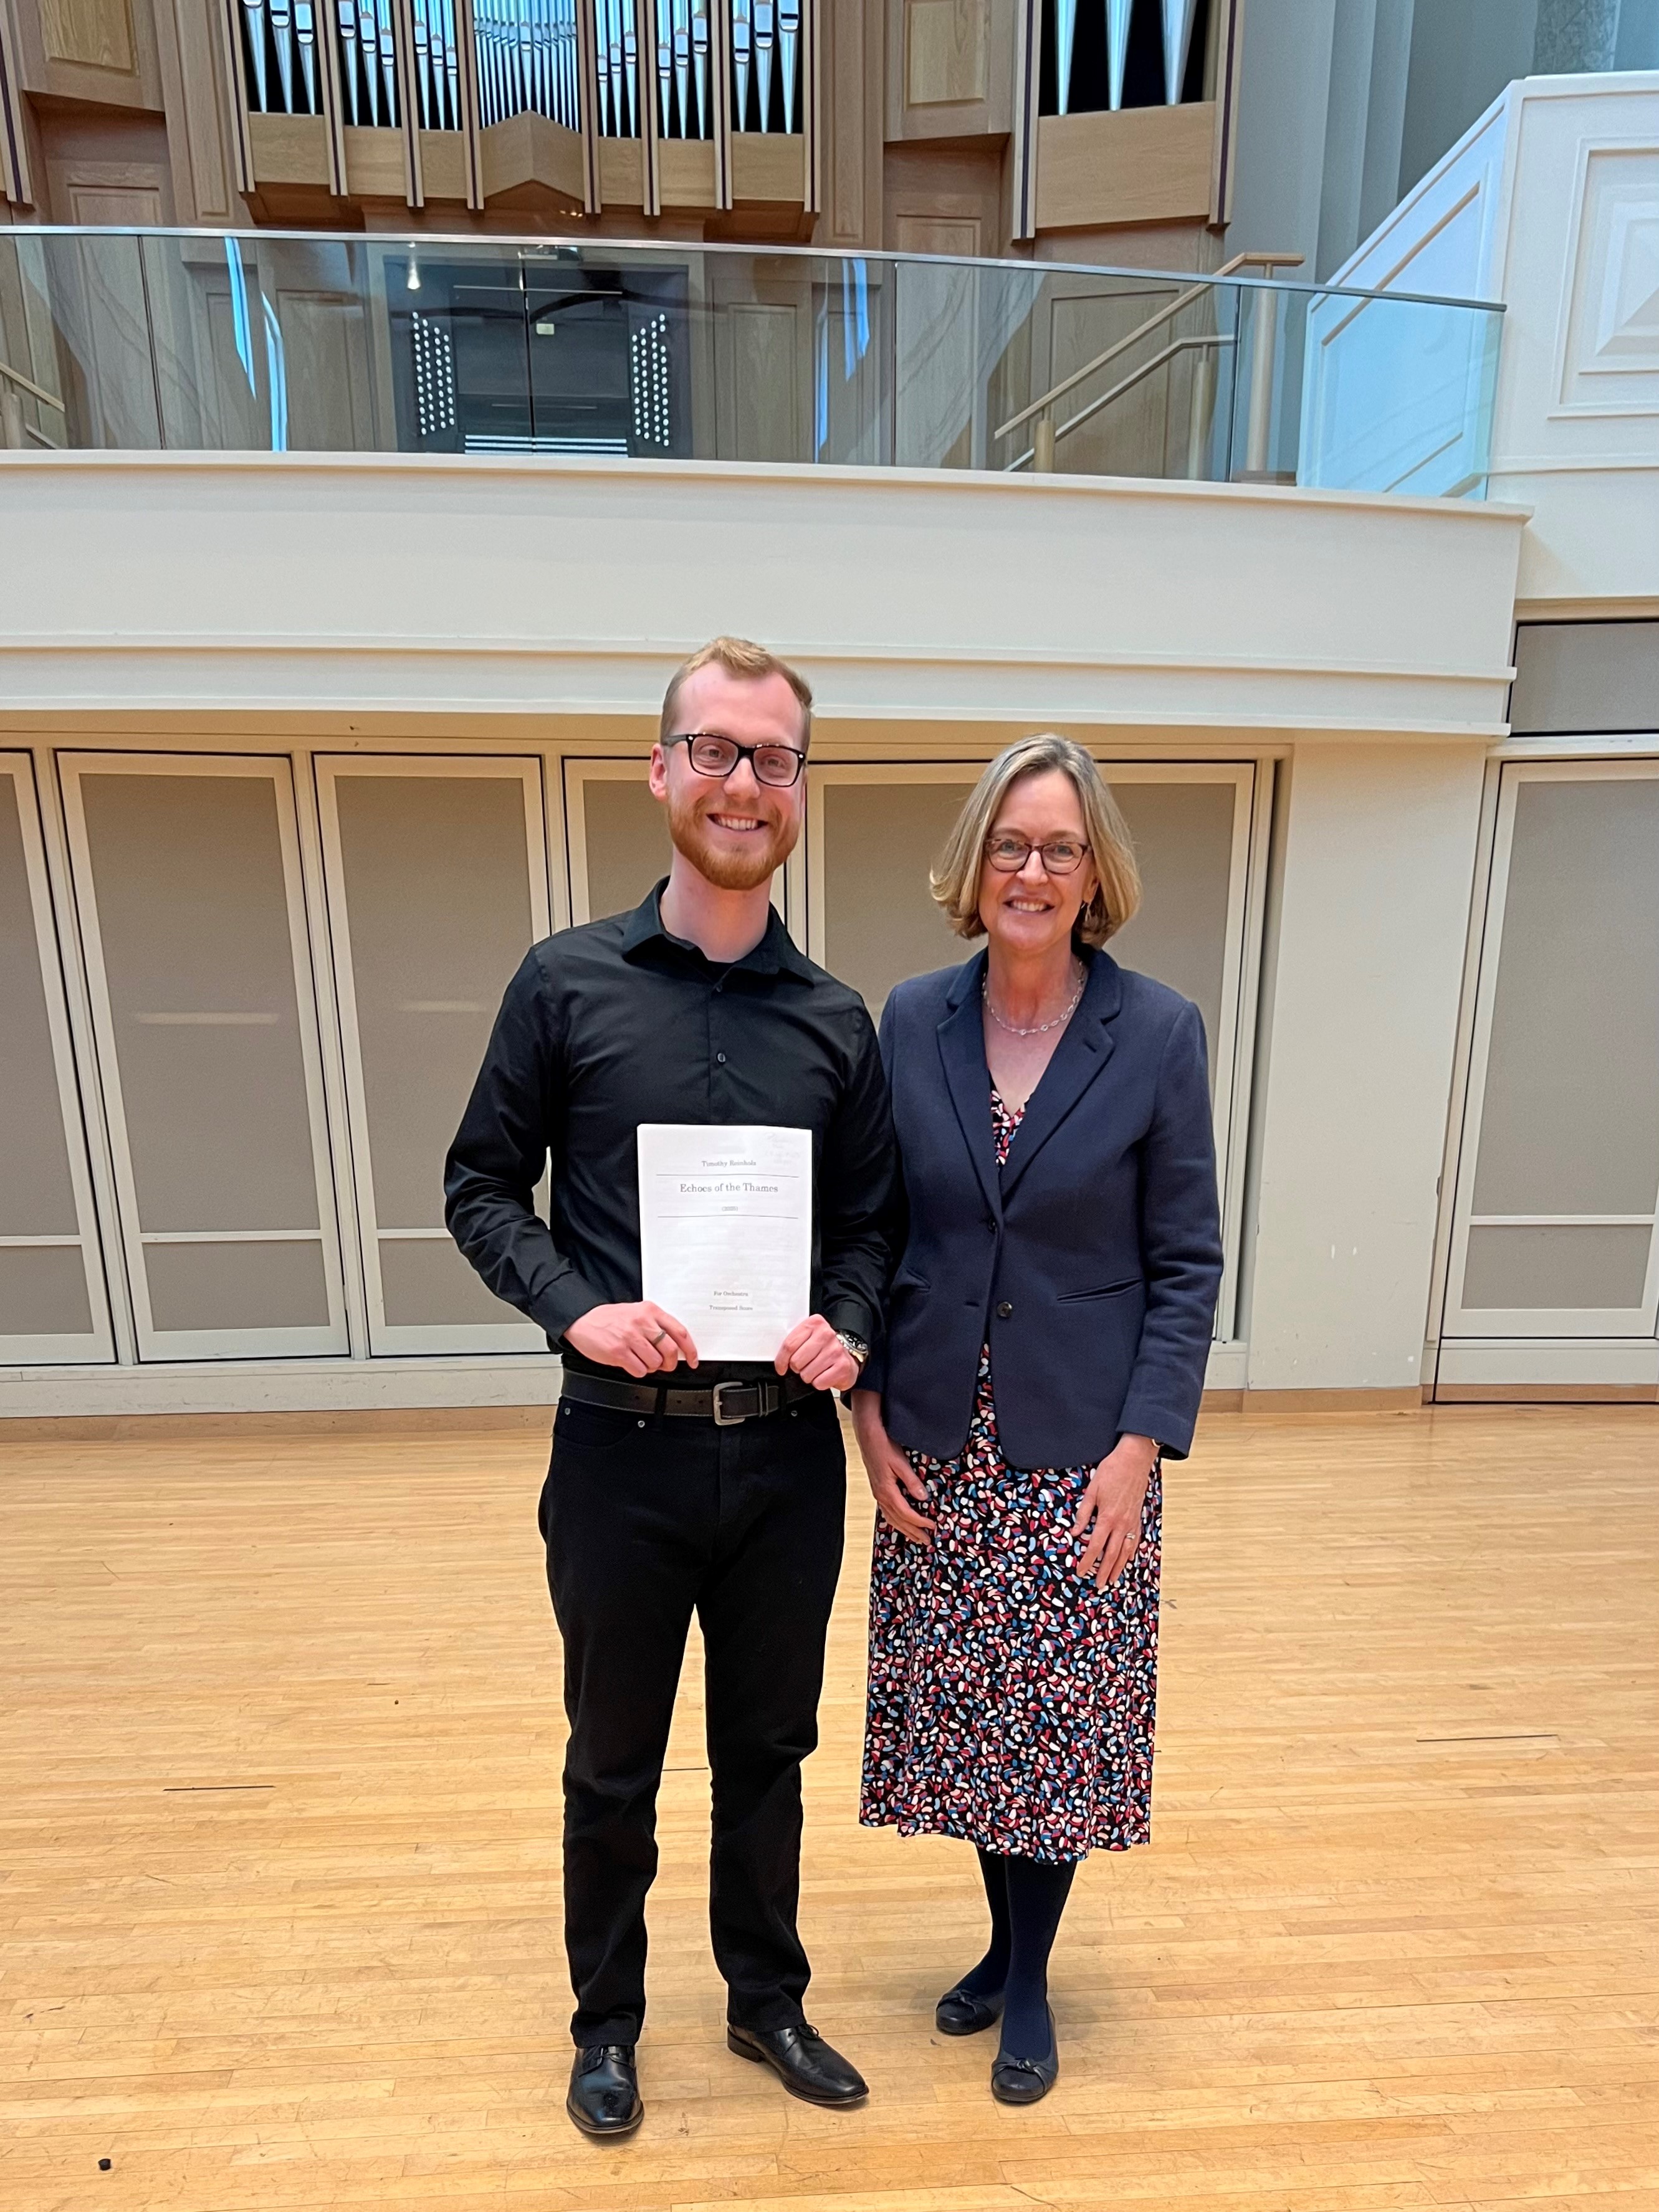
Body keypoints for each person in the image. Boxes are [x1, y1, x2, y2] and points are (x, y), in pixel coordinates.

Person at [445, 637, 899, 2141]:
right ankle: (606, 2024)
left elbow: (873, 1226)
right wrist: (576, 1309)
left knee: (767, 1747)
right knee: (612, 1758)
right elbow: (478, 1187)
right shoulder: (563, 980)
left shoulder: (836, 1020)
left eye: (770, 758)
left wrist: (842, 1318)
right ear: (660, 771)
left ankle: (764, 1996)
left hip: (780, 1460)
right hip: (619, 1457)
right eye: (713, 749)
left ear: (798, 792)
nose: (740, 782)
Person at [853, 733, 1223, 2104]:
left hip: (1081, 1447)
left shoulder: (1159, 1029)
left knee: (1055, 1727)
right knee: (968, 1718)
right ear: (975, 860)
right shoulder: (909, 1018)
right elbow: (874, 1228)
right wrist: (868, 1411)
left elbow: (1187, 1258)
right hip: (940, 1432)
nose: (1030, 868)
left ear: (1092, 871)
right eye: (1009, 842)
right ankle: (1005, 1944)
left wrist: (1141, 1447)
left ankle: (1025, 1979)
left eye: (1057, 846)